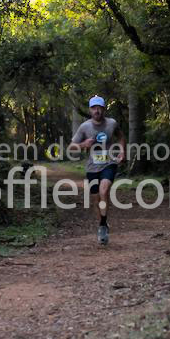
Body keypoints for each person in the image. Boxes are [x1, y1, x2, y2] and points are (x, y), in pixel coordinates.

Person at [69, 95, 126, 245]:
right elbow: (71, 147)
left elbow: (120, 136)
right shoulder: (84, 127)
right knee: (95, 199)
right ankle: (102, 224)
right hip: (92, 167)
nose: (97, 110)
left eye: (99, 107)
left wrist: (122, 151)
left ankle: (103, 224)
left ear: (104, 109)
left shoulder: (112, 123)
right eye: (94, 108)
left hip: (109, 163)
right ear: (90, 110)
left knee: (104, 191)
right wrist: (83, 144)